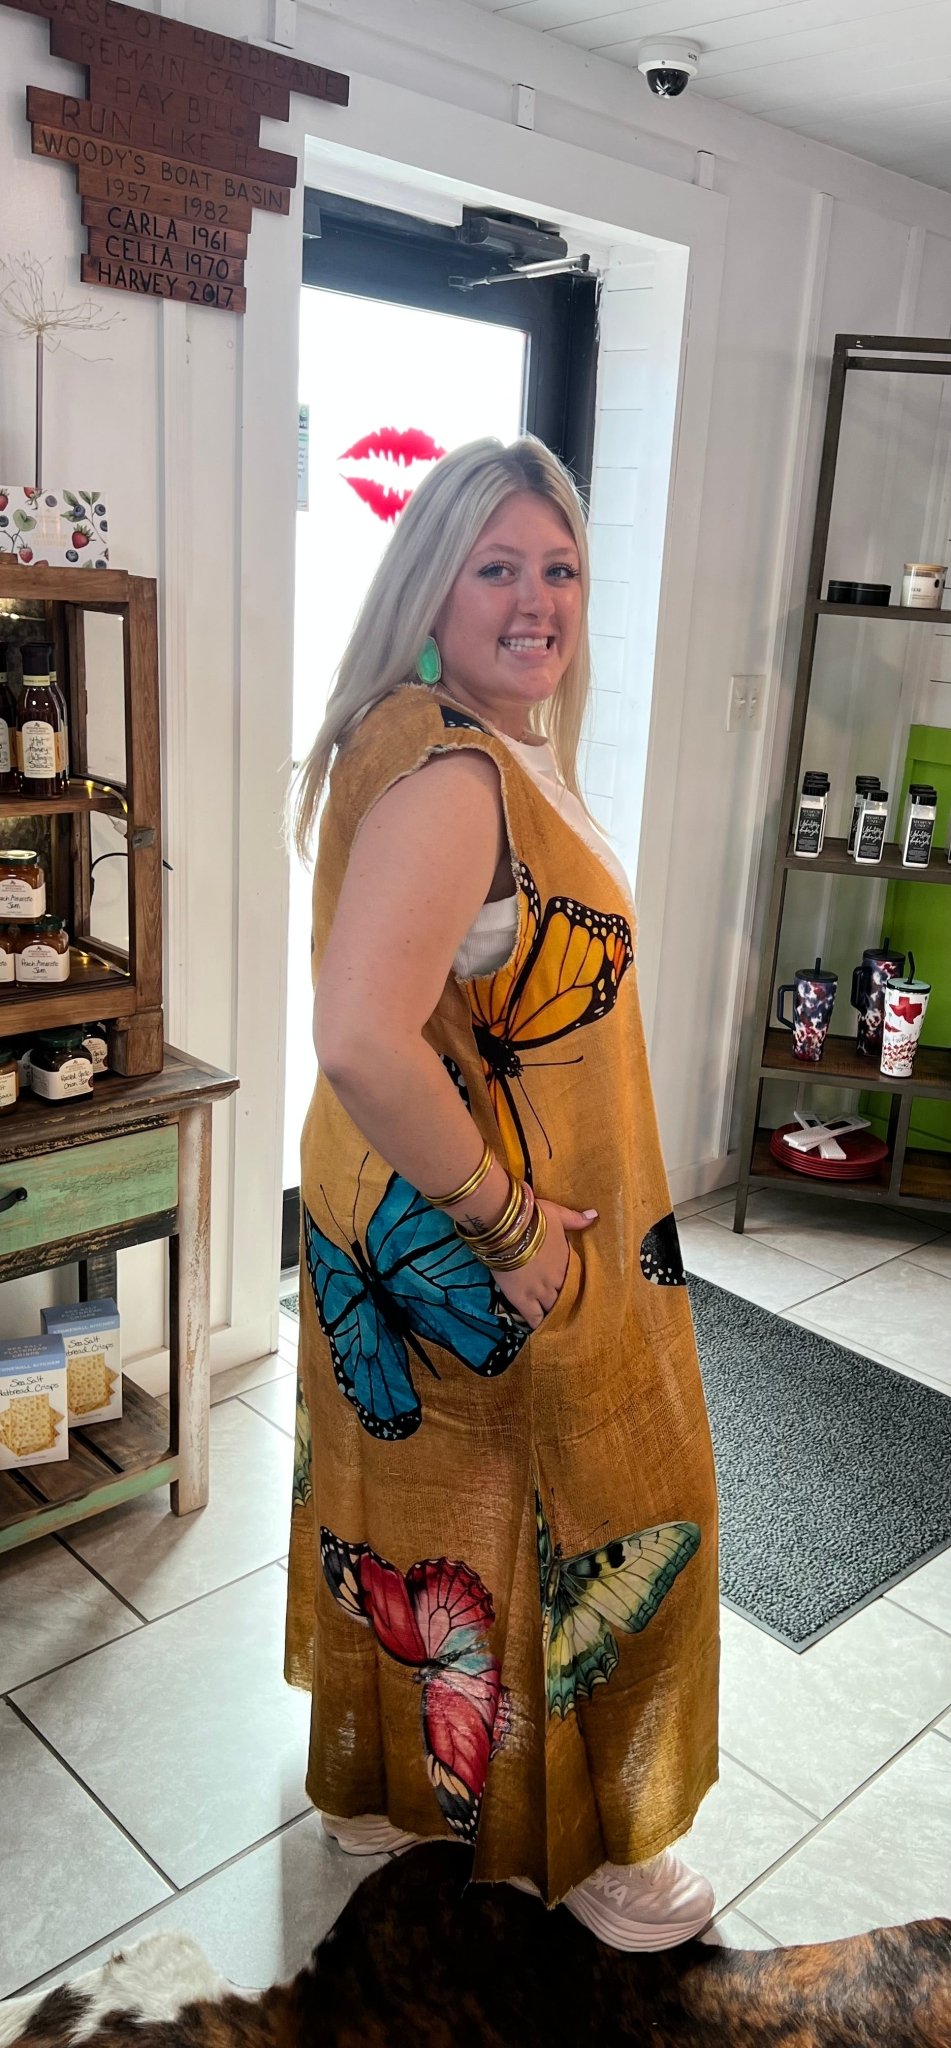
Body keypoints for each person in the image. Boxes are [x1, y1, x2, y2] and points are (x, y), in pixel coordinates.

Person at [284, 436, 720, 1952]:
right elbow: (361, 1034)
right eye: (498, 568)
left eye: (561, 569)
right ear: (431, 585)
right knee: (612, 1505)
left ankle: (385, 1792)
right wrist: (506, 1220)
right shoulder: (461, 776)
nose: (538, 600)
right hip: (482, 1216)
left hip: (379, 1204)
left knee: (414, 1503)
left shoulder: (413, 734)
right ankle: (585, 1849)